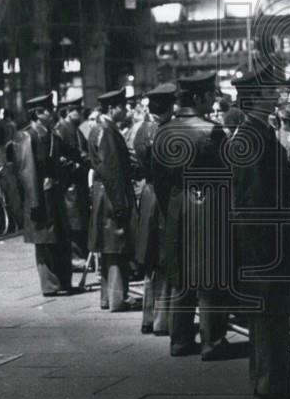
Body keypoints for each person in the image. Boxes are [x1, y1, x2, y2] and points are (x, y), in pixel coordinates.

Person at [229, 62, 290, 399]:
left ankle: (265, 376)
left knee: (267, 312)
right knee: (270, 311)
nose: (277, 95)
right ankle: (273, 381)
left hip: (261, 235)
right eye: (270, 91)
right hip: (264, 237)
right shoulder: (253, 136)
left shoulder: (255, 131)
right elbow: (254, 196)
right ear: (255, 97)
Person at [152, 71, 230, 359]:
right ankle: (213, 342)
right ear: (197, 98)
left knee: (180, 275)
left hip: (175, 205)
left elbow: (157, 179)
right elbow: (227, 176)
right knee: (210, 274)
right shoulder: (212, 130)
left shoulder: (164, 130)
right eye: (210, 96)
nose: (212, 101)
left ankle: (180, 340)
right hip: (208, 206)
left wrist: (172, 205)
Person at [86, 88, 139, 312]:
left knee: (108, 249)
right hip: (112, 194)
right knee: (117, 247)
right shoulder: (108, 131)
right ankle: (118, 298)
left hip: (102, 194)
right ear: (112, 108)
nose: (126, 110)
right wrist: (121, 204)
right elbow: (114, 170)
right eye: (122, 106)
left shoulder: (97, 128)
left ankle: (107, 297)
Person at [14, 95, 72, 297]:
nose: (52, 113)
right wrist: (34, 202)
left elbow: (68, 154)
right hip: (40, 196)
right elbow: (26, 172)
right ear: (37, 114)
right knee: (45, 242)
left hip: (54, 194)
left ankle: (64, 281)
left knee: (62, 238)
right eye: (47, 110)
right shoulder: (26, 136)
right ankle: (50, 285)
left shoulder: (53, 135)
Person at [133, 83, 177, 335]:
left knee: (152, 261)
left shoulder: (141, 131)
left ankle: (148, 317)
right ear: (169, 106)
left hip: (148, 196)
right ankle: (163, 320)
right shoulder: (164, 132)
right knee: (164, 259)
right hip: (163, 199)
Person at [55, 96, 92, 265]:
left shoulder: (75, 129)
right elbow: (59, 157)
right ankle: (75, 256)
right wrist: (76, 164)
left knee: (80, 218)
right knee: (74, 220)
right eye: (77, 110)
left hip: (78, 182)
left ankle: (80, 254)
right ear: (69, 112)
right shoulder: (61, 129)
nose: (81, 113)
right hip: (70, 182)